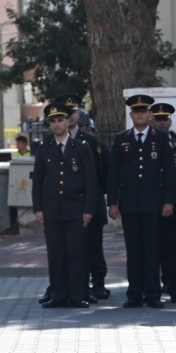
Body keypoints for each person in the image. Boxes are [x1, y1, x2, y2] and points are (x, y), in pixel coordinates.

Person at [107, 95, 174, 308]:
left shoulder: (161, 137)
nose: (140, 114)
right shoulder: (122, 138)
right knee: (134, 251)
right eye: (136, 111)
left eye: (143, 111)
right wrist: (113, 202)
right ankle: (134, 294)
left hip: (154, 203)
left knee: (152, 250)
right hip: (129, 204)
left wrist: (168, 201)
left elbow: (170, 173)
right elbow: (113, 173)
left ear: (149, 114)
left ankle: (153, 294)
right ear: (131, 114)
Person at [33, 99, 99, 308]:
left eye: (60, 120)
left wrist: (88, 209)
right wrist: (38, 208)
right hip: (51, 209)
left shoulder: (81, 147)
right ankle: (59, 294)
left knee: (76, 254)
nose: (57, 124)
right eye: (53, 121)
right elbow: (38, 181)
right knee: (56, 254)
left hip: (75, 209)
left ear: (67, 122)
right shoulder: (44, 148)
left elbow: (91, 181)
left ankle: (77, 295)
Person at [64, 101, 111, 301]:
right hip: (67, 205)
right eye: (66, 112)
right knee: (67, 249)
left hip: (91, 203)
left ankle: (98, 283)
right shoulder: (52, 140)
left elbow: (105, 171)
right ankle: (68, 285)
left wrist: (97, 197)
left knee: (93, 247)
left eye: (73, 111)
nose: (70, 115)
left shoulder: (92, 141)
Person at [151, 104, 176, 303]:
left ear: (169, 121)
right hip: (151, 204)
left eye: (164, 119)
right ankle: (152, 289)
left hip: (173, 205)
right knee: (152, 249)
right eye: (157, 119)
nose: (161, 122)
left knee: (174, 249)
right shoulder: (145, 142)